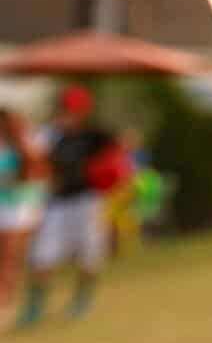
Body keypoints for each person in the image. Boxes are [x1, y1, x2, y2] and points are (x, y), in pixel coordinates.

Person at [17, 85, 123, 326]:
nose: (67, 114)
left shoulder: (95, 135)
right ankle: (35, 305)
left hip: (87, 201)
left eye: (72, 110)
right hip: (56, 203)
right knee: (42, 255)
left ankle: (82, 299)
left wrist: (107, 173)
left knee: (89, 255)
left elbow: (120, 151)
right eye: (64, 109)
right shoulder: (50, 135)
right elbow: (36, 161)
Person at [0, 107, 48, 318]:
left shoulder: (26, 144)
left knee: (10, 257)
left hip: (19, 207)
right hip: (4, 204)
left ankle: (5, 303)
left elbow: (38, 174)